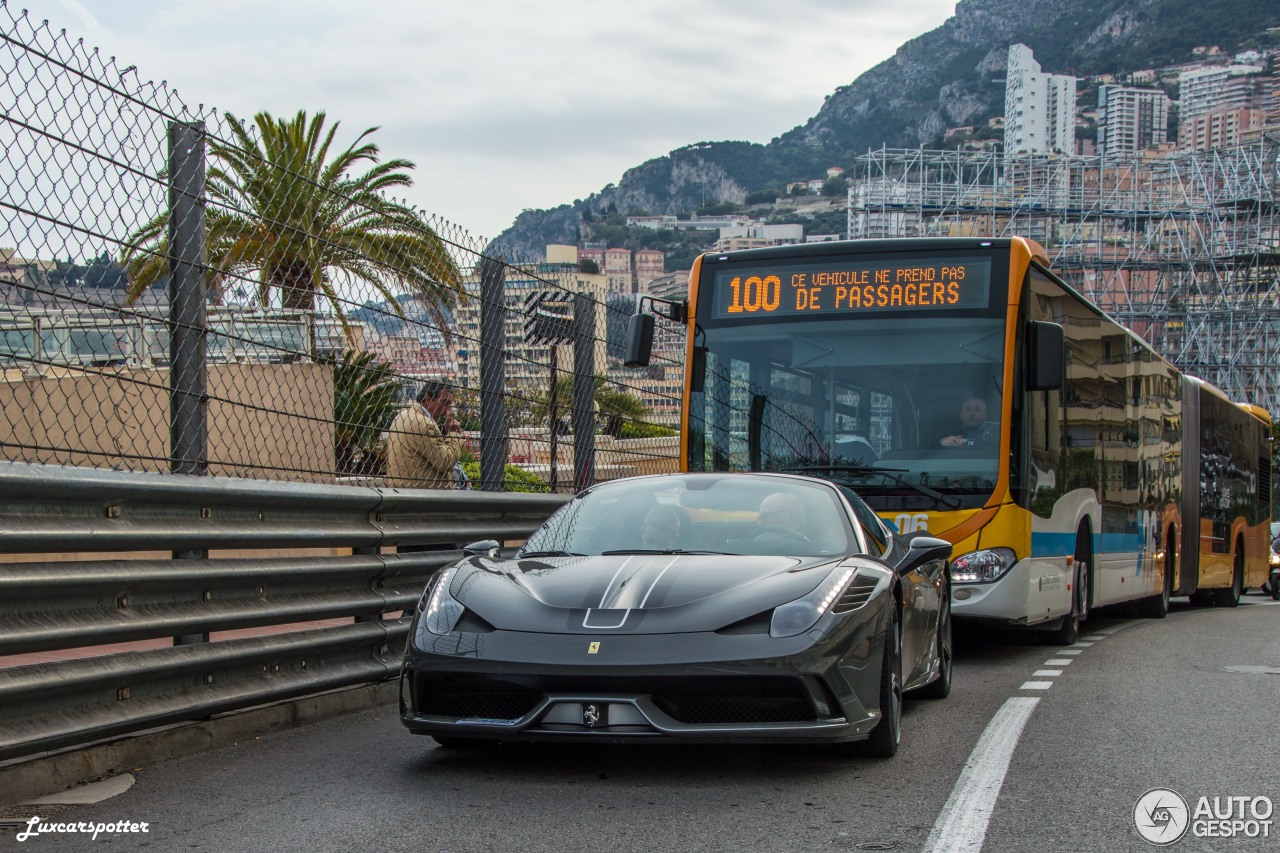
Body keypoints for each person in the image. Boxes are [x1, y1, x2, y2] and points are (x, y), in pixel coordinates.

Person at [385, 381, 463, 489]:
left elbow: (426, 450)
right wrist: (454, 433)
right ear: (428, 399)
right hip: (423, 494)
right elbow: (445, 462)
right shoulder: (426, 424)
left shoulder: (401, 417)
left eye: (450, 405)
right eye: (445, 403)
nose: (447, 411)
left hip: (401, 489)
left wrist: (445, 433)